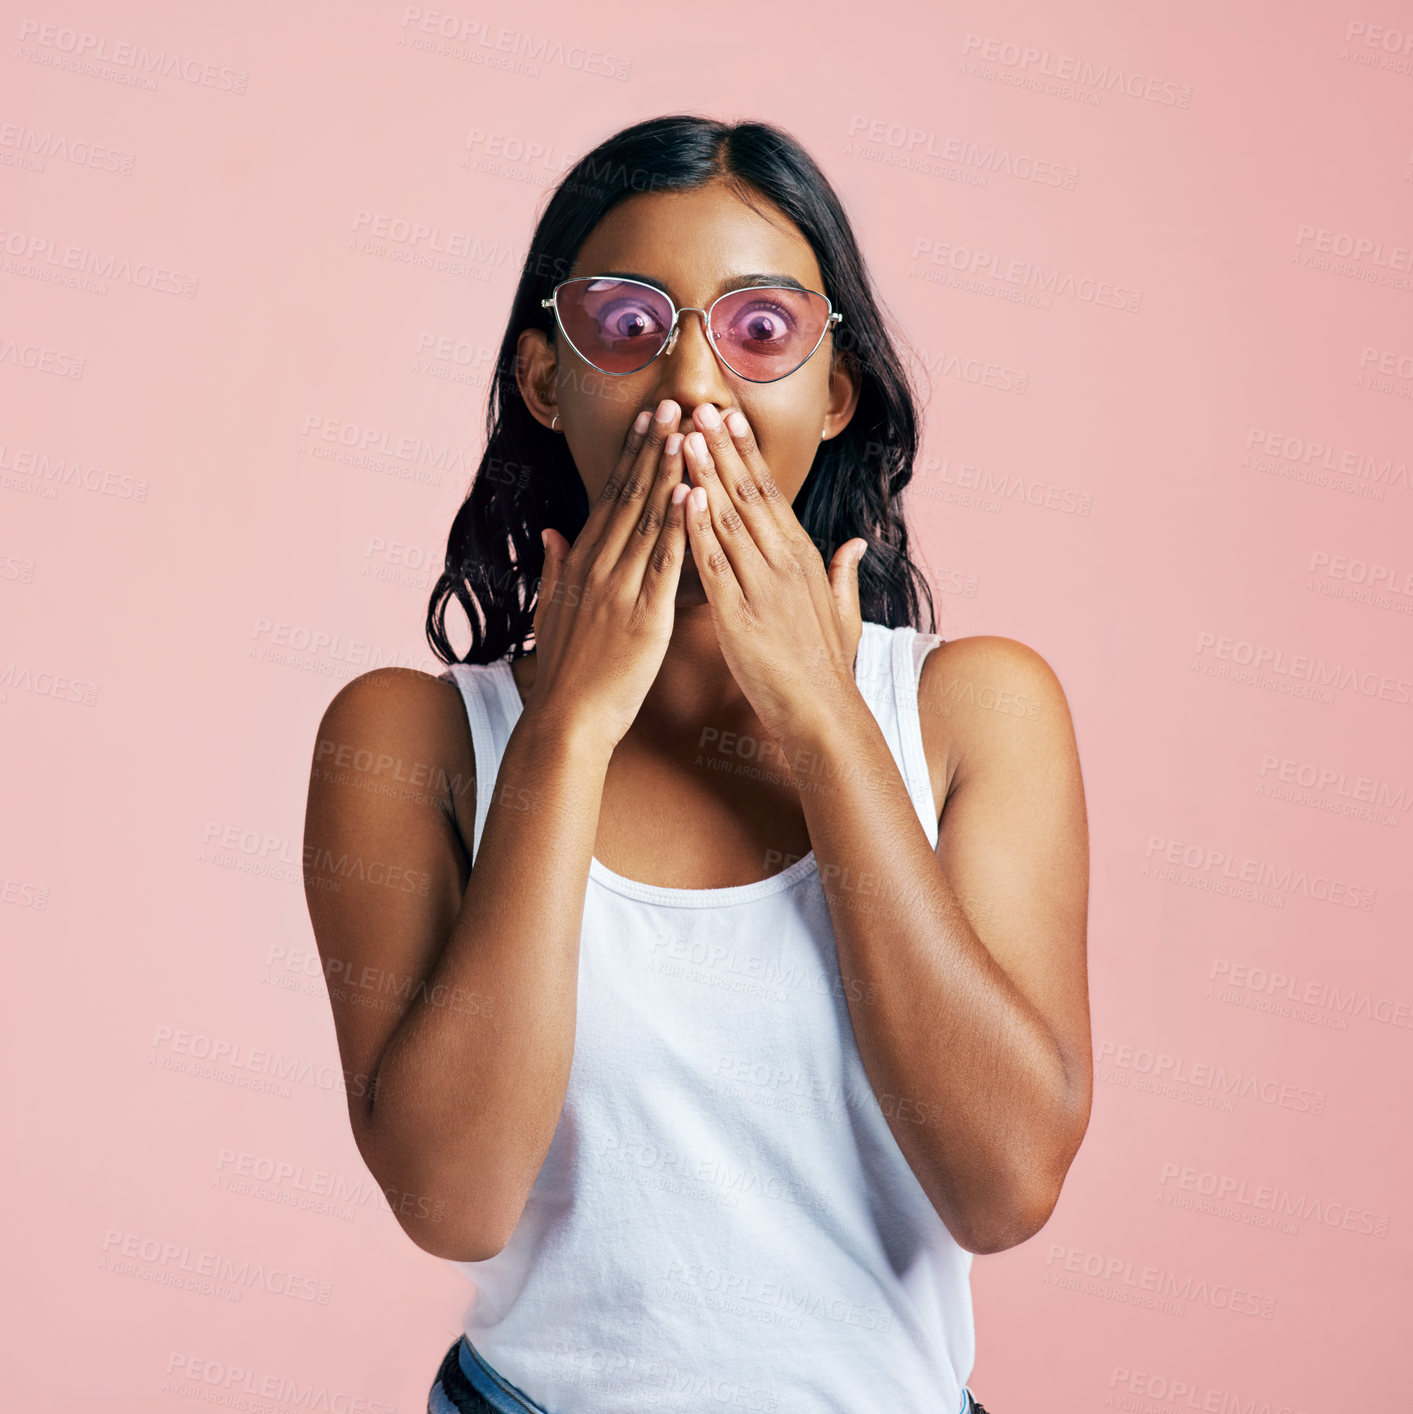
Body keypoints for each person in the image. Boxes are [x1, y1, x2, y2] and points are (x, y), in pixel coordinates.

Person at [302, 113, 1091, 1414]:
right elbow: (452, 1197)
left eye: (760, 331)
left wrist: (825, 721)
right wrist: (562, 732)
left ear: (836, 393)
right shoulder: (407, 739)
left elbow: (1002, 1186)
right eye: (626, 328)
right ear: (546, 381)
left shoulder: (975, 710)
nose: (690, 388)